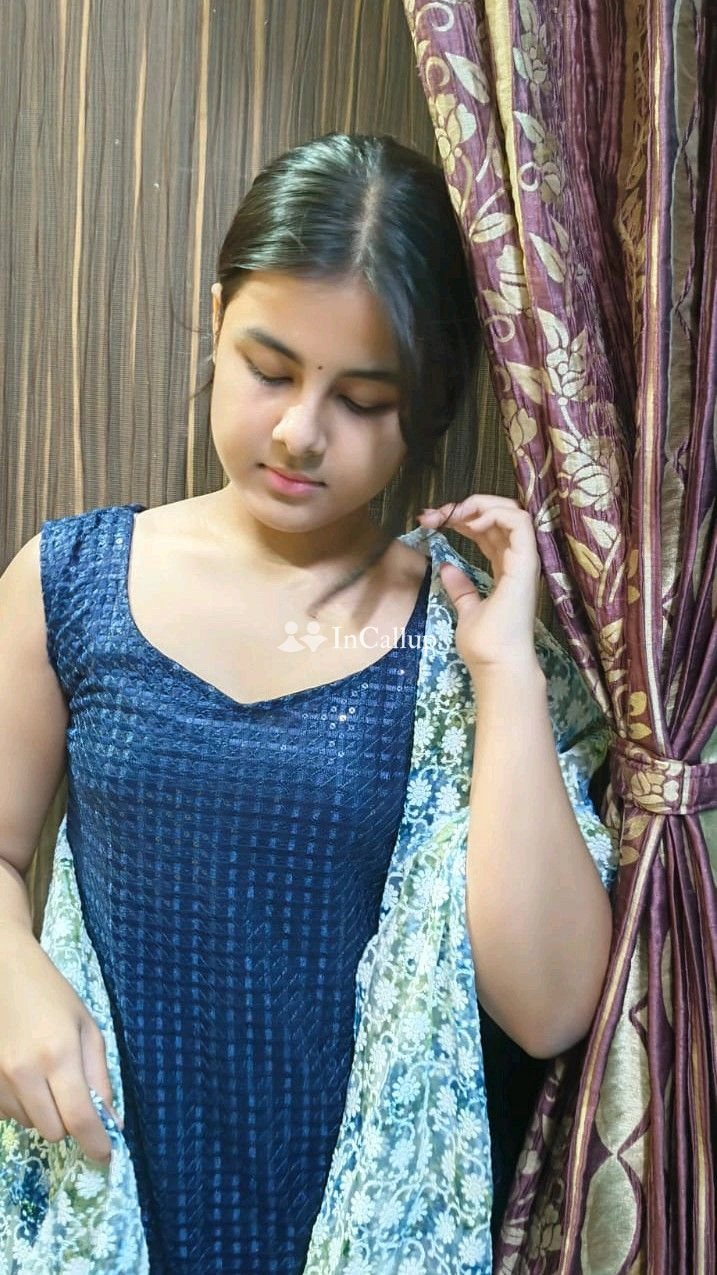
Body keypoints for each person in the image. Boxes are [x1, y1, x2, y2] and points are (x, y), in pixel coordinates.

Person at [0, 134, 616, 1275]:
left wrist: (503, 673)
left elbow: (550, 1009)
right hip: (99, 1197)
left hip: (350, 1228)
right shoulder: (69, 580)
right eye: (270, 369)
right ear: (219, 317)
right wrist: (10, 977)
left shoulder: (462, 639)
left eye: (363, 399)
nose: (299, 431)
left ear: (425, 410)